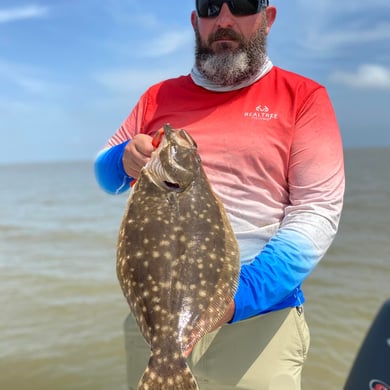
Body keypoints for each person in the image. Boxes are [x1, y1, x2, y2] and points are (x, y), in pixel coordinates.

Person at [95, 0, 345, 389]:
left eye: (242, 5)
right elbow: (105, 175)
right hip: (156, 321)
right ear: (196, 21)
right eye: (211, 8)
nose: (224, 20)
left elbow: (318, 211)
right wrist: (122, 159)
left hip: (259, 323)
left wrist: (234, 300)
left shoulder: (304, 96)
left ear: (269, 17)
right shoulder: (157, 96)